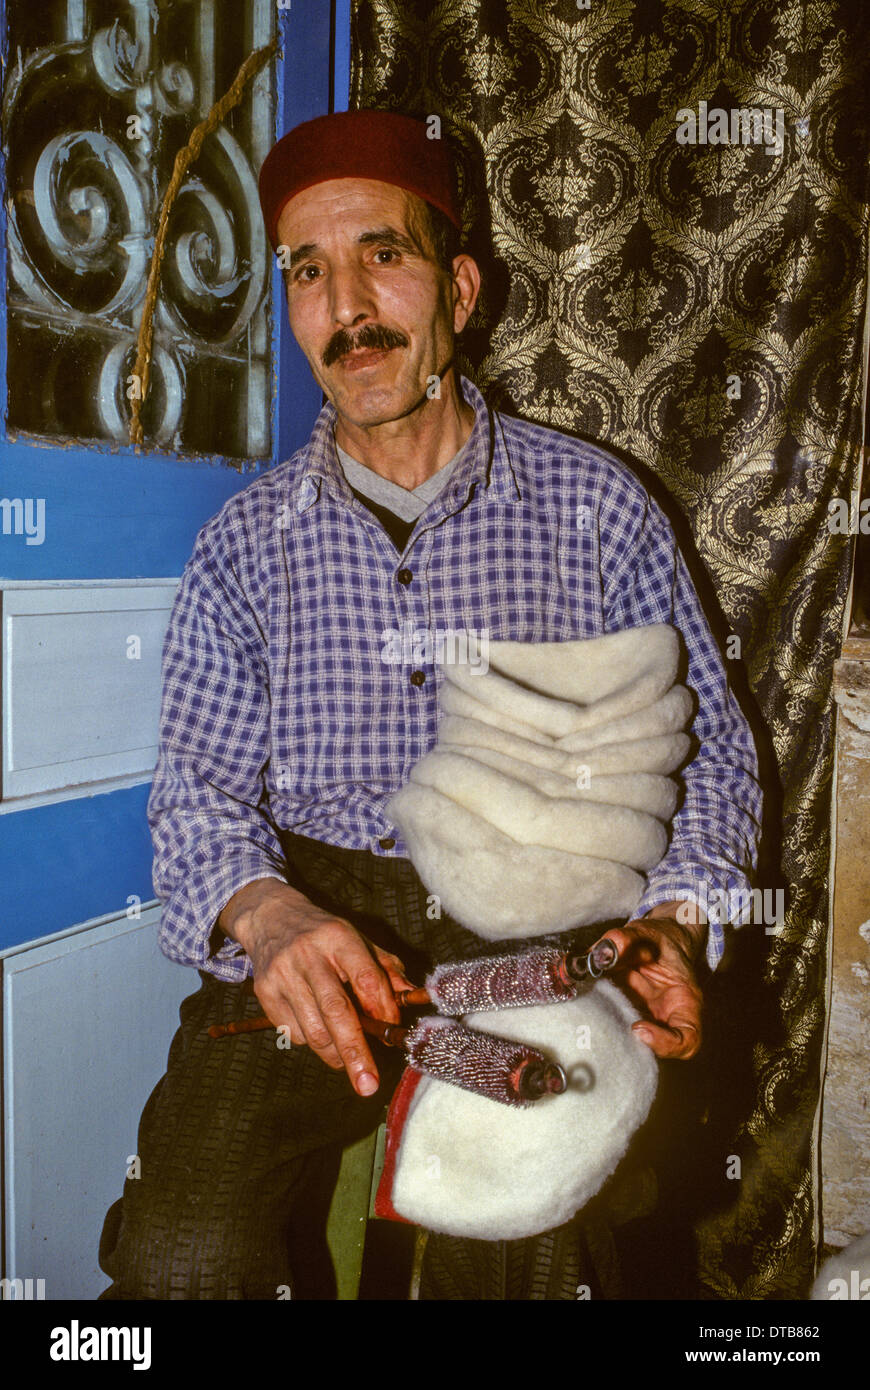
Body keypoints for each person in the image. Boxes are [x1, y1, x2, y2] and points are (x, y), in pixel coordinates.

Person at [98, 110, 762, 1300]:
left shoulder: (596, 511)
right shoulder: (244, 550)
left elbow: (710, 754)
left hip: (545, 915)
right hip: (322, 918)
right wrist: (263, 912)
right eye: (308, 270)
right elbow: (196, 794)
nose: (346, 306)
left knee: (529, 1244)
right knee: (178, 1255)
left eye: (382, 256)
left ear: (458, 287)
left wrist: (677, 916)